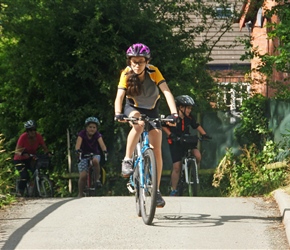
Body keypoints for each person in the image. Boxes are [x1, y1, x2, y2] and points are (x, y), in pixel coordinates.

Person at [114, 43, 178, 208]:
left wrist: (174, 113)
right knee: (139, 124)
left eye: (140, 61)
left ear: (146, 61)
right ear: (129, 61)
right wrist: (118, 113)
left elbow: (166, 91)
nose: (137, 65)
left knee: (156, 149)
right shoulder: (126, 74)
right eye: (134, 61)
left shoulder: (153, 71)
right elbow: (120, 96)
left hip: (151, 109)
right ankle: (127, 160)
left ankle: (156, 191)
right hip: (132, 107)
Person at [162, 95, 212, 196]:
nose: (190, 110)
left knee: (197, 155)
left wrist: (204, 134)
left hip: (186, 140)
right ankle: (174, 190)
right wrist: (170, 135)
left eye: (190, 108)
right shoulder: (172, 118)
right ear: (181, 108)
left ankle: (190, 170)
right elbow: (164, 126)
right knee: (177, 167)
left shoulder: (189, 118)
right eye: (188, 108)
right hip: (175, 142)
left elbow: (196, 125)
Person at [14, 120, 51, 196]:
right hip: (20, 159)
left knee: (36, 170)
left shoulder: (38, 136)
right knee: (25, 176)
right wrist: (23, 153)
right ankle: (20, 192)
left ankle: (32, 187)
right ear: (27, 131)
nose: (33, 132)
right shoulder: (23, 137)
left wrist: (48, 153)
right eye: (30, 130)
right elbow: (17, 150)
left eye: (34, 130)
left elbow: (44, 147)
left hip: (30, 157)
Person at [75, 116, 108, 198]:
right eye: (90, 127)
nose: (92, 129)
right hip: (83, 155)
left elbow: (102, 144)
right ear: (86, 127)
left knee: (95, 161)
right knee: (83, 176)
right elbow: (78, 145)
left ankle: (97, 179)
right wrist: (78, 150)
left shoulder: (97, 135)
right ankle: (80, 192)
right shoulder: (81, 134)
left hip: (94, 154)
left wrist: (105, 151)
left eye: (94, 127)